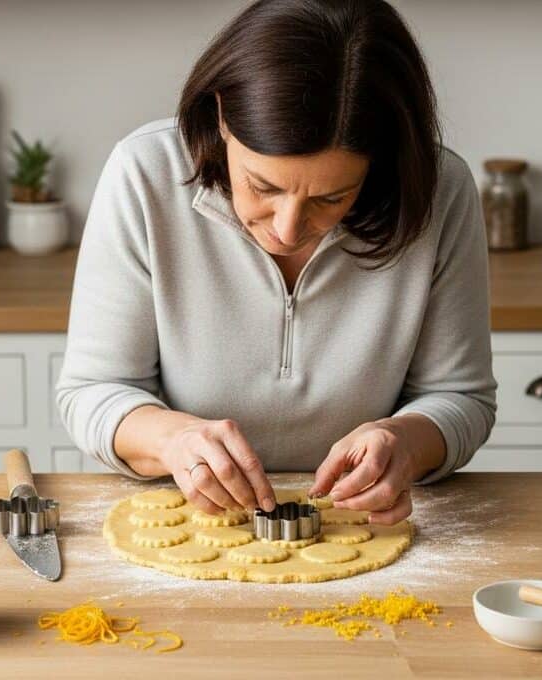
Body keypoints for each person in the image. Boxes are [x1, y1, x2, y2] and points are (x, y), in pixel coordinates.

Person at [56, 0, 496, 526]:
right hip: (189, 516)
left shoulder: (439, 193)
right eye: (262, 186)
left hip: (364, 524)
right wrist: (173, 439)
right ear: (221, 117)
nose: (287, 229)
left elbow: (460, 397)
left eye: (331, 198)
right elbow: (93, 391)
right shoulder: (144, 174)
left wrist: (407, 441)